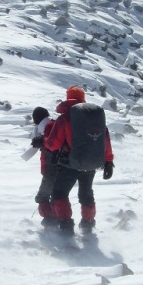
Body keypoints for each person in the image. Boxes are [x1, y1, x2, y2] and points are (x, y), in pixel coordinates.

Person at [45, 86, 114, 233]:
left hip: (68, 164)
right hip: (90, 163)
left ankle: (66, 224)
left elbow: (53, 144)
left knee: (60, 193)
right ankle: (88, 224)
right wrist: (108, 162)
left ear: (68, 97)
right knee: (86, 193)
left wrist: (44, 142)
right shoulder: (95, 119)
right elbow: (105, 141)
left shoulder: (65, 117)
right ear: (83, 98)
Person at [29, 106, 57, 225]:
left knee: (43, 196)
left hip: (51, 167)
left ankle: (50, 221)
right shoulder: (53, 124)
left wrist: (42, 143)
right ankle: (58, 219)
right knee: (57, 195)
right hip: (61, 167)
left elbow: (52, 145)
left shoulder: (47, 128)